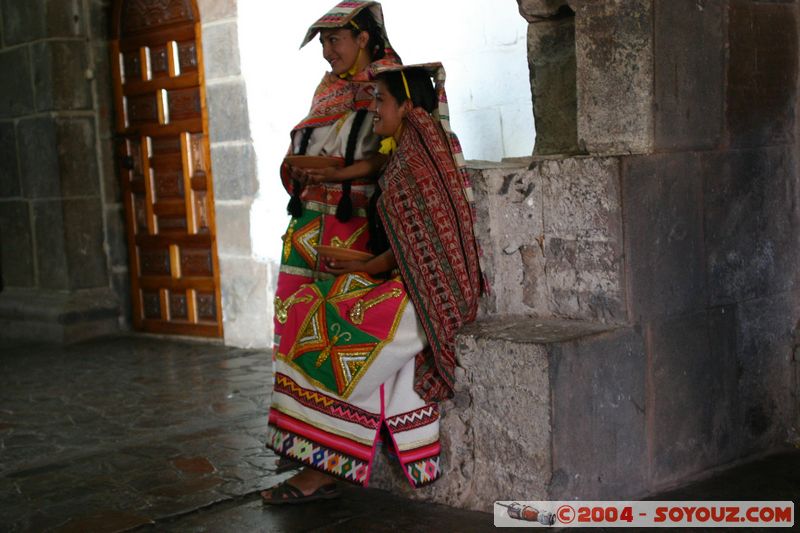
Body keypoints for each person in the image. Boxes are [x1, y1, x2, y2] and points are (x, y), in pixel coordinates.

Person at [261, 64, 482, 504]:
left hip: (424, 305)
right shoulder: (409, 156)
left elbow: (423, 257)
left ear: (406, 106)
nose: (373, 109)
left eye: (381, 100)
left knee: (323, 325)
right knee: (314, 303)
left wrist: (360, 269)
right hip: (409, 288)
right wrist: (359, 267)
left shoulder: (415, 166)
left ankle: (319, 465)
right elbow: (412, 250)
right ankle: (321, 461)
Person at [273, 0, 401, 358]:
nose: (327, 53)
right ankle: (294, 401)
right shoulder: (327, 88)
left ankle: (341, 409)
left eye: (334, 41)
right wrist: (298, 168)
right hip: (308, 222)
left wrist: (342, 172)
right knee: (294, 313)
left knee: (342, 321)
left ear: (362, 38)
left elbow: (396, 154)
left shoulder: (390, 85)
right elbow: (316, 140)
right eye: (323, 44)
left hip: (355, 222)